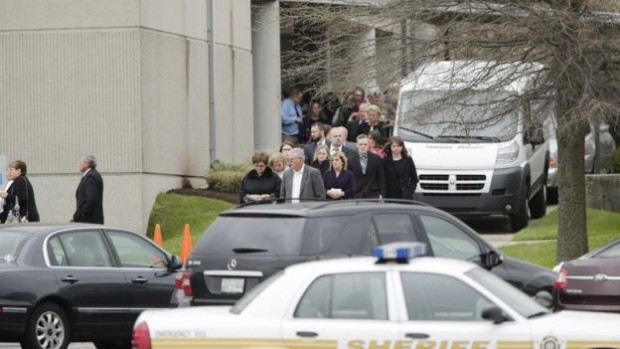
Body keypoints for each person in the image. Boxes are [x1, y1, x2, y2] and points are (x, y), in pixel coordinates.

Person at [347, 134, 386, 199]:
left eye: (365, 144)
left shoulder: (376, 159)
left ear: (368, 145)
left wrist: (382, 194)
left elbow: (381, 178)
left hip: (374, 193)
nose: (363, 146)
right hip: (357, 194)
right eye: (360, 144)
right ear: (357, 145)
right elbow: (349, 179)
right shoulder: (351, 160)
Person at [72, 155, 104, 224]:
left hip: (89, 220)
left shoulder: (91, 176)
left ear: (87, 164)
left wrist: (81, 214)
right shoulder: (90, 175)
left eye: (81, 163)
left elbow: (91, 198)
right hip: (88, 219)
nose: (79, 165)